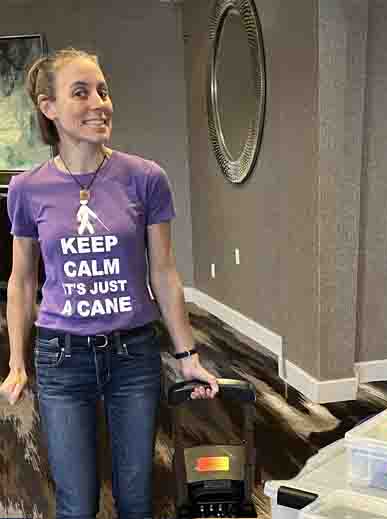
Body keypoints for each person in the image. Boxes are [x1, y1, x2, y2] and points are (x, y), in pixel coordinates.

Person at [0, 48, 219, 519]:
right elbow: (22, 281)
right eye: (81, 92)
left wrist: (187, 355)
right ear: (48, 107)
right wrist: (17, 360)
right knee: (76, 504)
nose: (99, 102)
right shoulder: (26, 188)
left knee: (137, 499)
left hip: (133, 353)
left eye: (103, 90)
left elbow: (163, 271)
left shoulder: (145, 178)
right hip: (62, 357)